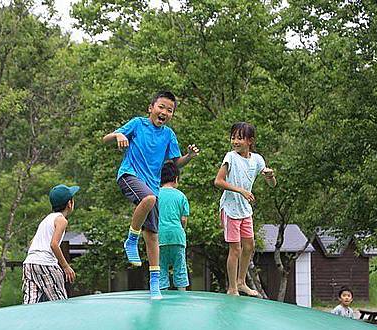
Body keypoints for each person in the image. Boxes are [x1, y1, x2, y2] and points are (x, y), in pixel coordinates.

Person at [102, 91, 199, 299]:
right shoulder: (137, 124)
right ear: (151, 108)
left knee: (153, 235)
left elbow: (175, 163)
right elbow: (105, 139)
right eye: (161, 107)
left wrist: (189, 156)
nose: (164, 112)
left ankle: (155, 284)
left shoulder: (168, 135)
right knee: (149, 199)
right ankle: (130, 240)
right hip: (130, 174)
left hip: (152, 186)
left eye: (169, 110)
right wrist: (118, 134)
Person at [214, 122, 276, 296]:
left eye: (239, 138)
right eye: (233, 137)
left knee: (249, 246)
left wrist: (271, 177)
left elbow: (272, 184)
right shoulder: (230, 157)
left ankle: (241, 282)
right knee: (235, 249)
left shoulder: (257, 159)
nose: (235, 141)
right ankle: (232, 288)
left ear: (250, 141)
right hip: (230, 208)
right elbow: (218, 181)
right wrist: (240, 190)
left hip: (245, 210)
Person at [22, 184, 78, 304]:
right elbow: (54, 244)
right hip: (46, 264)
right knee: (60, 302)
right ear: (69, 203)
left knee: (30, 304)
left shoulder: (46, 219)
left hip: (29, 263)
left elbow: (32, 242)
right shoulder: (61, 220)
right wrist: (65, 266)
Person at [158, 161, 190, 291]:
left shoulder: (155, 195)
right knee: (180, 268)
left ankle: (161, 298)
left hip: (160, 238)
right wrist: (182, 229)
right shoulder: (181, 196)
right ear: (176, 178)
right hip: (177, 237)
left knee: (160, 268)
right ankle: (182, 297)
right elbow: (183, 219)